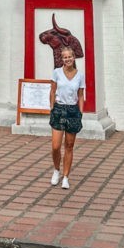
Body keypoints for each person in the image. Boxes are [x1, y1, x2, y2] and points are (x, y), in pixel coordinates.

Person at [48, 46, 84, 190]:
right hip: (59, 109)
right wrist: (52, 108)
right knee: (56, 146)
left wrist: (80, 112)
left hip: (72, 111)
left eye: (69, 57)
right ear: (61, 59)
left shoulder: (80, 75)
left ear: (74, 57)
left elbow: (81, 95)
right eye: (65, 57)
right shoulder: (56, 72)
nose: (67, 59)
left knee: (69, 145)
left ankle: (66, 176)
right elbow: (52, 91)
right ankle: (56, 170)